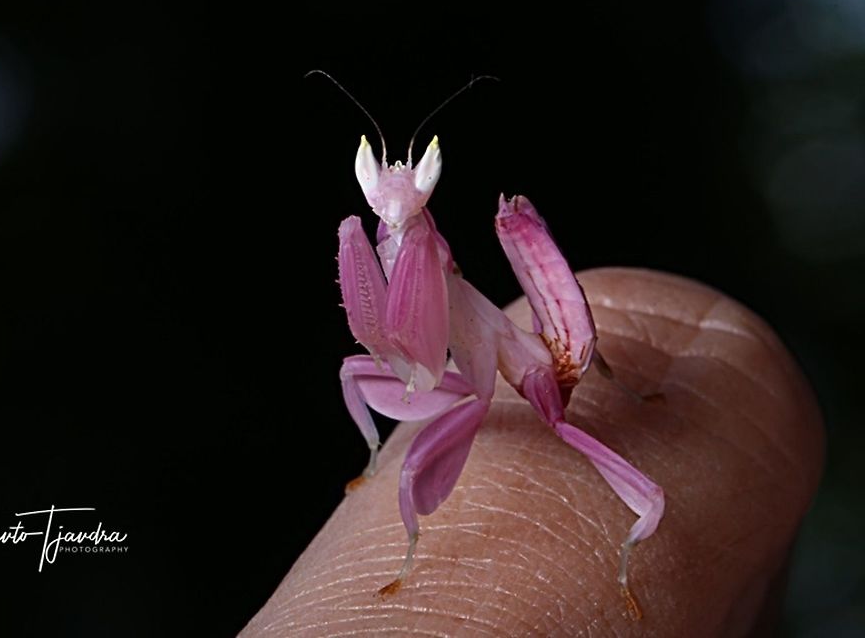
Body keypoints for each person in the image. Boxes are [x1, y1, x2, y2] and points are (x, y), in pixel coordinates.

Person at [242, 268, 825, 636]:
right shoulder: (416, 264)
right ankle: (375, 458)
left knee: (650, 499)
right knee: (355, 373)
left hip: (545, 382)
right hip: (505, 367)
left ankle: (623, 571)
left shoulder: (440, 271)